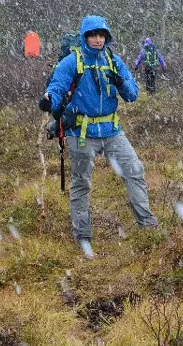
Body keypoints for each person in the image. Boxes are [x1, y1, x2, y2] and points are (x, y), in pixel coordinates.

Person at [39, 15, 158, 245]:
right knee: (81, 184)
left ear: (107, 37)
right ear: (85, 37)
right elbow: (57, 88)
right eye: (93, 35)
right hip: (81, 134)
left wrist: (121, 82)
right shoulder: (72, 62)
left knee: (135, 170)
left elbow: (132, 94)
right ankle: (83, 237)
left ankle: (148, 226)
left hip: (112, 131)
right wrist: (49, 101)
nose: (97, 40)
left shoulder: (114, 61)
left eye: (102, 35)